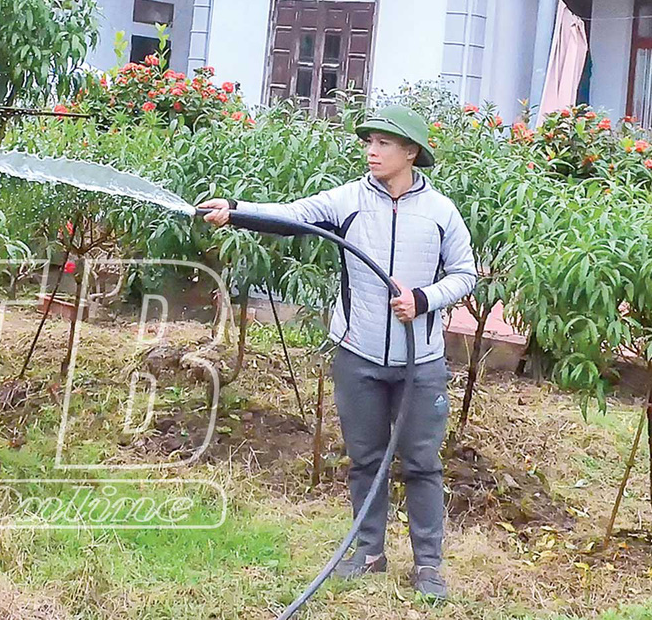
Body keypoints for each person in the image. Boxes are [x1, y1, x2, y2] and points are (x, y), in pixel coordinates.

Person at [198, 104, 476, 602]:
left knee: (421, 463)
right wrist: (236, 211)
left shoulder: (441, 213)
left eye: (383, 144)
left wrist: (423, 298)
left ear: (410, 152)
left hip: (422, 363)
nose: (371, 151)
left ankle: (428, 565)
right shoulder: (349, 200)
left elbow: (465, 274)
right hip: (359, 356)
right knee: (366, 458)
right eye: (369, 142)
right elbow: (295, 216)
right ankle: (368, 553)